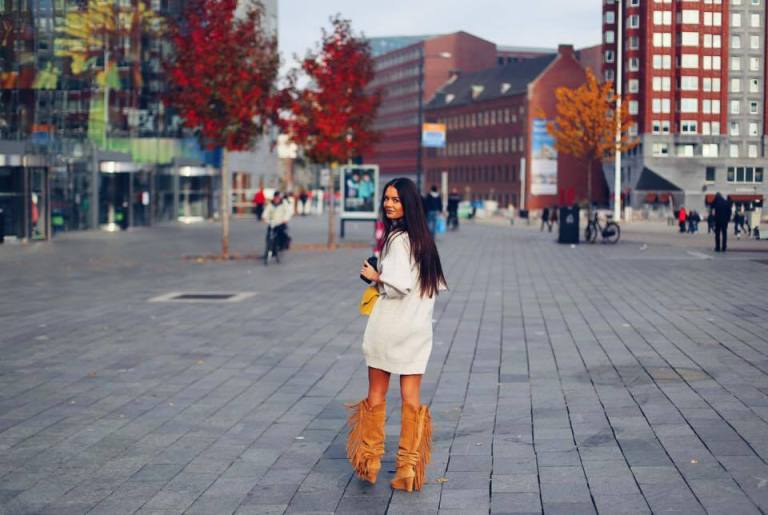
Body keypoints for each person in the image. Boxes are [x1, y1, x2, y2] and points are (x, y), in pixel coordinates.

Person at [352, 177, 447, 492]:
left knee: (376, 394)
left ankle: (370, 462)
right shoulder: (424, 241)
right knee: (411, 399)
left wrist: (374, 276)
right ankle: (407, 468)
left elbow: (397, 284)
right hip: (417, 329)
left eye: (395, 199)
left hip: (390, 326)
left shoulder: (397, 239)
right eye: (387, 198)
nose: (389, 204)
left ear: (408, 203)